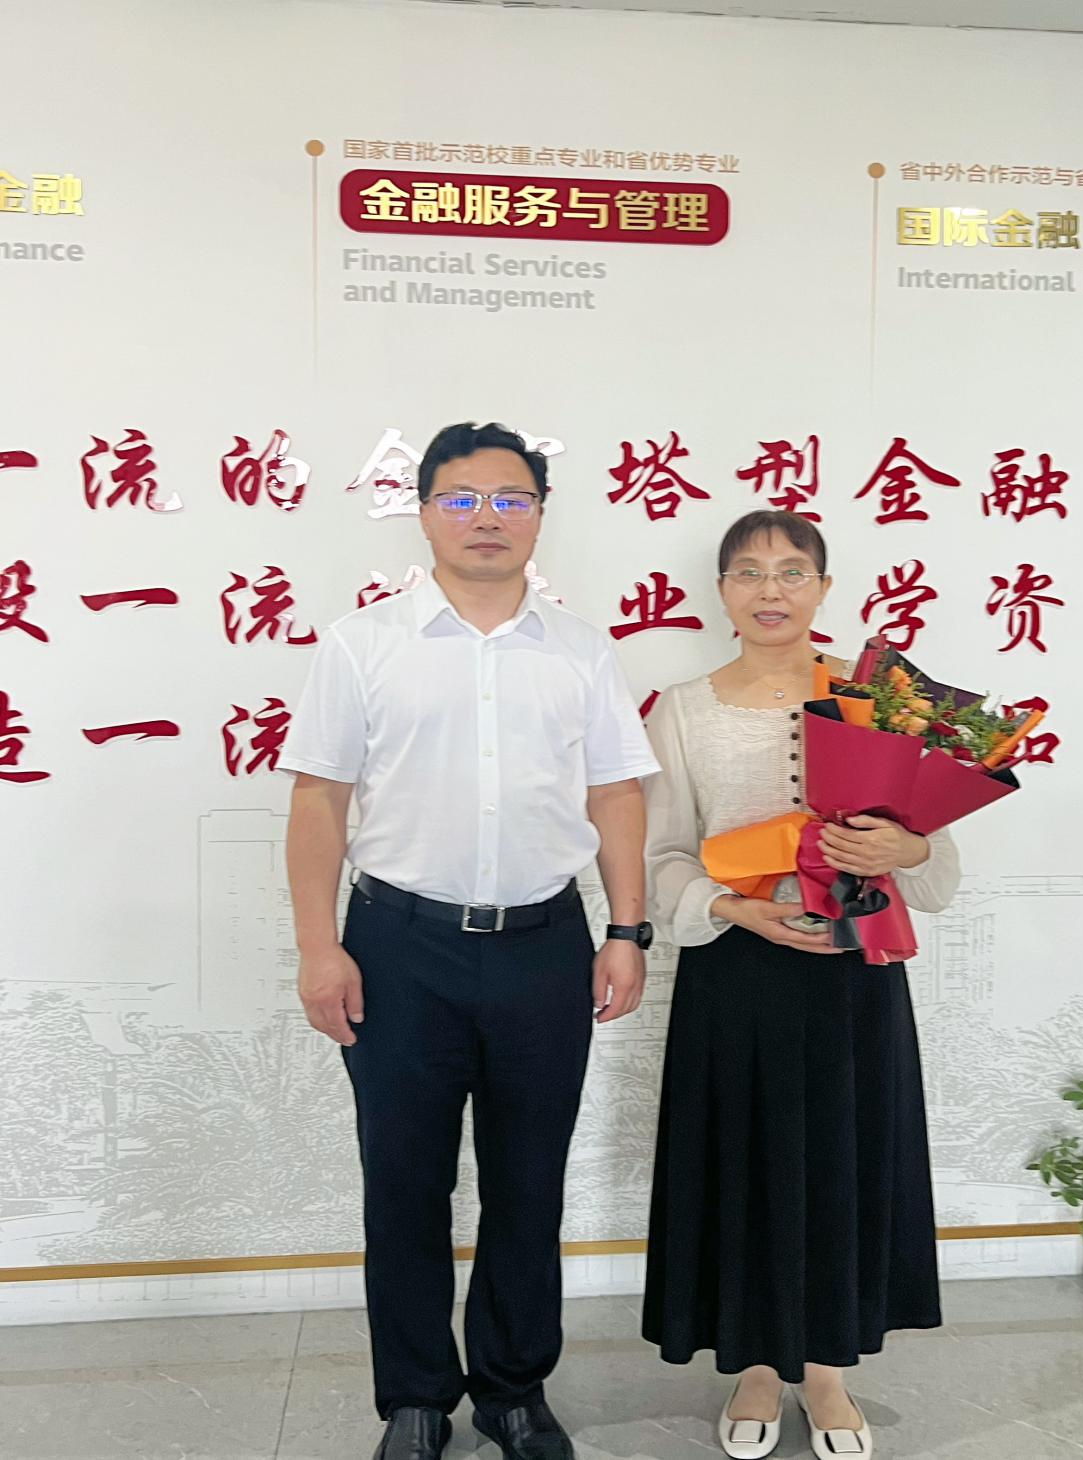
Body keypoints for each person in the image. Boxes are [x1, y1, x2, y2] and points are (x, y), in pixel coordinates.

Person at [280, 423, 659, 1460]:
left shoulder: (580, 650)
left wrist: (626, 928)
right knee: (404, 1181)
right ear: (423, 513)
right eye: (461, 498)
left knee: (528, 1182)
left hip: (544, 945)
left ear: (539, 513)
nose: (486, 517)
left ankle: (513, 1388)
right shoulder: (363, 643)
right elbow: (319, 802)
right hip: (398, 945)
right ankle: (413, 1396)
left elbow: (616, 794)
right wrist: (318, 947)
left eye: (509, 498)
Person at [640, 510, 961, 1460]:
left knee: (839, 1167)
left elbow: (938, 870)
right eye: (747, 572)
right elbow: (659, 858)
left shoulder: (878, 703)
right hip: (734, 974)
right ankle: (751, 1365)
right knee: (744, 1166)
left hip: (854, 972)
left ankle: (825, 1371)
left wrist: (904, 847)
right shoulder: (681, 710)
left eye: (791, 572)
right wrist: (735, 909)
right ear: (721, 592)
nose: (769, 590)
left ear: (823, 589)